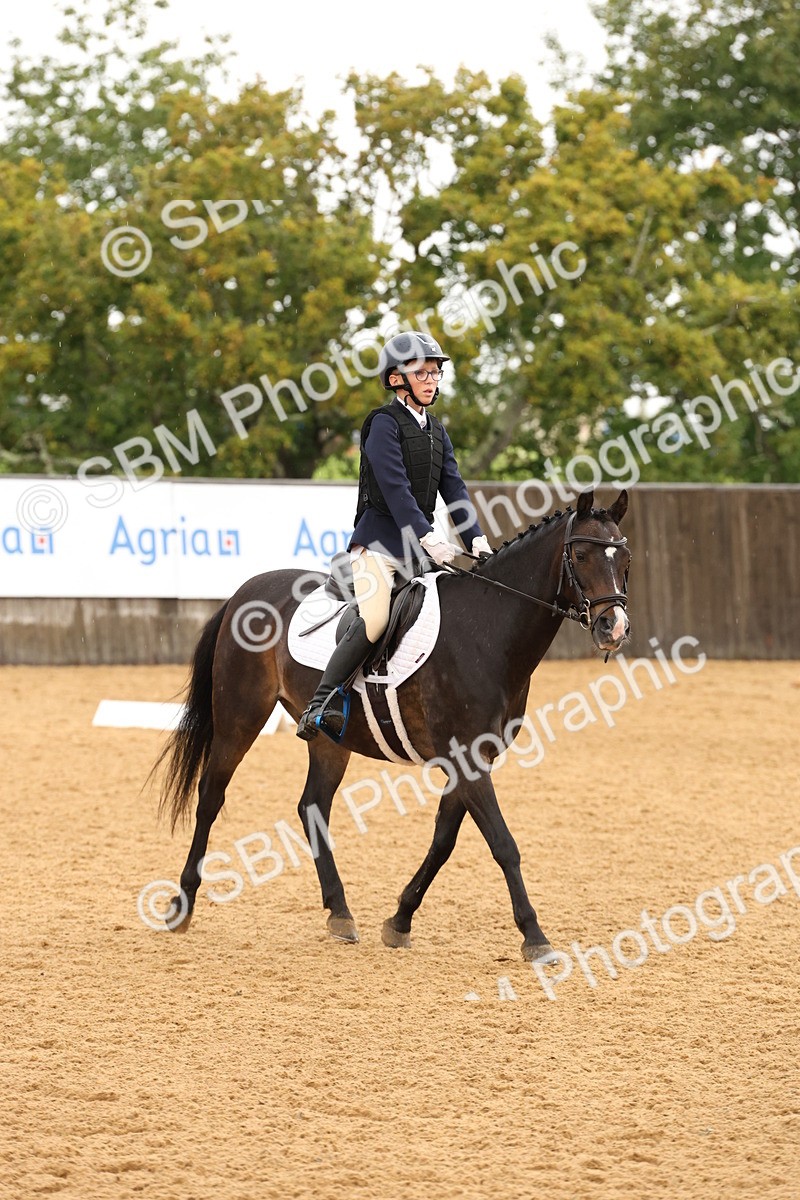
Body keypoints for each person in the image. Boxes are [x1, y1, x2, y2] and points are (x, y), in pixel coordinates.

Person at [296, 329, 491, 741]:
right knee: (376, 618)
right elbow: (396, 489)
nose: (432, 380)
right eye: (422, 373)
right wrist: (428, 535)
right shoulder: (382, 425)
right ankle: (322, 702)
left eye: (436, 373)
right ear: (396, 378)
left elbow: (454, 489)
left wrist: (475, 538)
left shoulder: (437, 431)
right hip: (378, 547)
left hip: (418, 551)